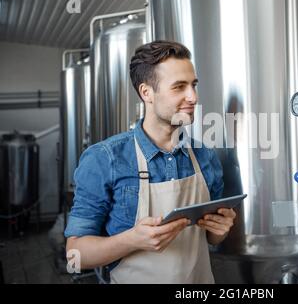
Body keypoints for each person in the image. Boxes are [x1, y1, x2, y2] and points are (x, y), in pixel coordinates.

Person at [64, 40, 236, 284]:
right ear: (146, 93)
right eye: (179, 87)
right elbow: (75, 256)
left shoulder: (204, 155)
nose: (193, 97)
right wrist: (132, 240)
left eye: (193, 85)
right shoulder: (105, 159)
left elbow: (211, 239)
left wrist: (221, 230)